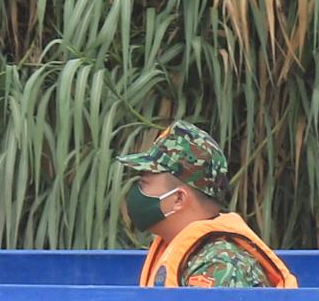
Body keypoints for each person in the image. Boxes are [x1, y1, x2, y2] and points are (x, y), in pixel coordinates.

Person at [120, 122, 294, 288]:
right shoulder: (185, 251)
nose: (136, 192)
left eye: (144, 184)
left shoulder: (219, 265)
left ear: (178, 199)